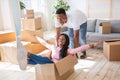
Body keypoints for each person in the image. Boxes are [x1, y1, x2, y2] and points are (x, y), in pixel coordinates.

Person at [17, 33, 102, 70]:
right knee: (42, 58)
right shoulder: (53, 47)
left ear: (66, 41)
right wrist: (36, 37)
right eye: (59, 39)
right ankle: (27, 60)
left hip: (56, 66)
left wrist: (93, 44)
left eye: (63, 39)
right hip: (49, 62)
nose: (60, 40)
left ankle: (29, 55)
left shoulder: (68, 50)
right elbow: (44, 43)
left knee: (45, 60)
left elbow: (80, 48)